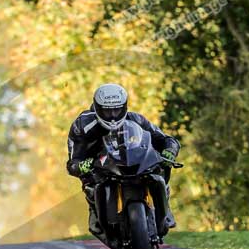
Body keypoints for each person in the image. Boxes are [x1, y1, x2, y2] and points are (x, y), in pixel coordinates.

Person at [66, 83, 180, 235]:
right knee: (87, 179)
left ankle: (164, 203)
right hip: (98, 161)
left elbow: (166, 139)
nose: (113, 115)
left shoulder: (137, 119)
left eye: (117, 109)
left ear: (125, 107)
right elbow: (73, 161)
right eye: (107, 111)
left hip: (131, 158)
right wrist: (80, 165)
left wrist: (169, 151)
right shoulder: (82, 126)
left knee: (163, 164)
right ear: (97, 108)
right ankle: (95, 211)